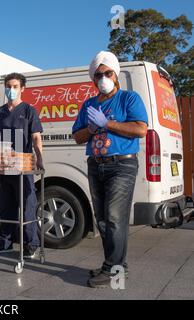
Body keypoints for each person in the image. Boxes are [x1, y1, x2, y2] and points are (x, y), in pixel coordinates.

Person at [72, 51, 148, 288]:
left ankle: (114, 269)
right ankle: (114, 265)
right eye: (98, 75)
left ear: (115, 75)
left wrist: (108, 124)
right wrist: (93, 129)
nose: (103, 78)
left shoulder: (129, 98)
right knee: (103, 220)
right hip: (96, 165)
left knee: (115, 218)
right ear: (93, 79)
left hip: (122, 165)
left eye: (107, 73)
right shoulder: (89, 104)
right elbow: (77, 135)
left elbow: (141, 129)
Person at [0, 73, 44, 259]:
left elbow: (36, 137)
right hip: (4, 167)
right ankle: (6, 242)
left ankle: (31, 244)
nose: (10, 90)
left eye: (14, 86)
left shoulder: (29, 110)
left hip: (23, 168)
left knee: (27, 207)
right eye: (8, 86)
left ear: (22, 89)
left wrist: (40, 158)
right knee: (6, 206)